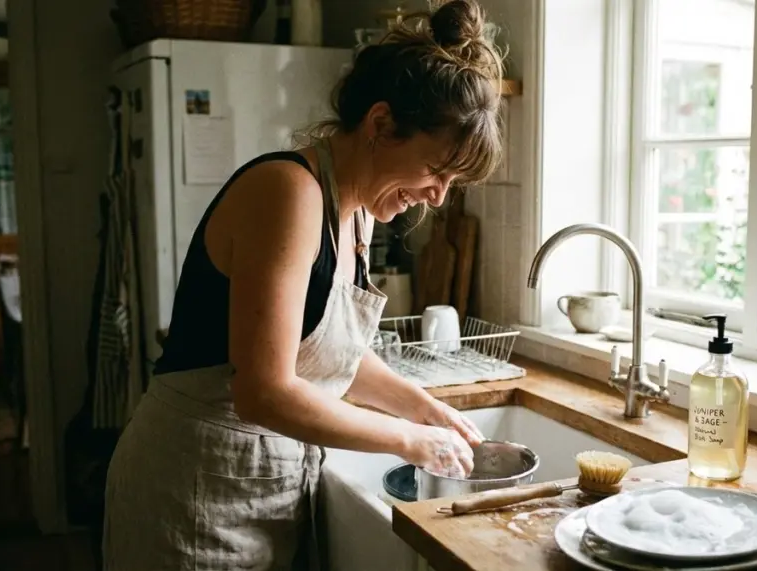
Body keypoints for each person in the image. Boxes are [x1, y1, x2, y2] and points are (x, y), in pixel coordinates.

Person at [102, 1, 505, 569]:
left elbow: (325, 352)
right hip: (192, 486)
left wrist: (423, 409)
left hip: (261, 483)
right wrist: (409, 441)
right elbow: (264, 390)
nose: (438, 197)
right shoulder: (288, 193)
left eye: (451, 182)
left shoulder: (359, 213)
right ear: (381, 125)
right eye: (435, 171)